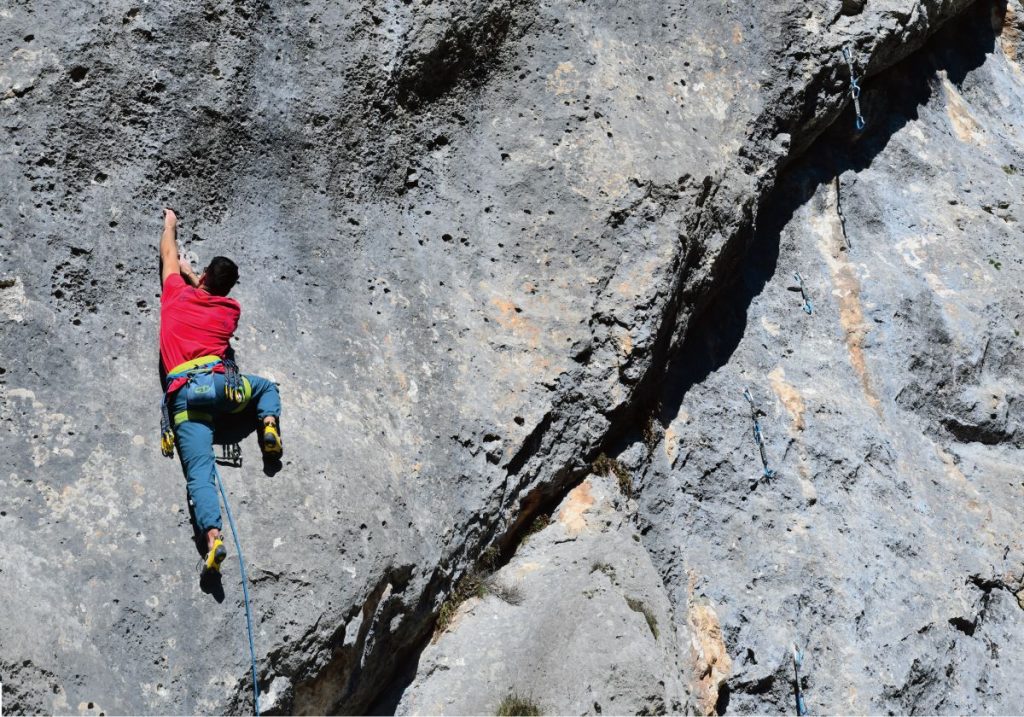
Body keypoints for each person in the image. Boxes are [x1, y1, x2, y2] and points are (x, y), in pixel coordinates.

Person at [158, 208, 282, 573]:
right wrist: (196, 276)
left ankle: (213, 537)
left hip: (184, 394)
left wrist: (170, 225)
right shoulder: (230, 310)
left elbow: (168, 255)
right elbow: (209, 293)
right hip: (221, 386)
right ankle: (269, 425)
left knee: (199, 471)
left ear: (206, 275)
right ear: (227, 288)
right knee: (265, 389)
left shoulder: (176, 295)